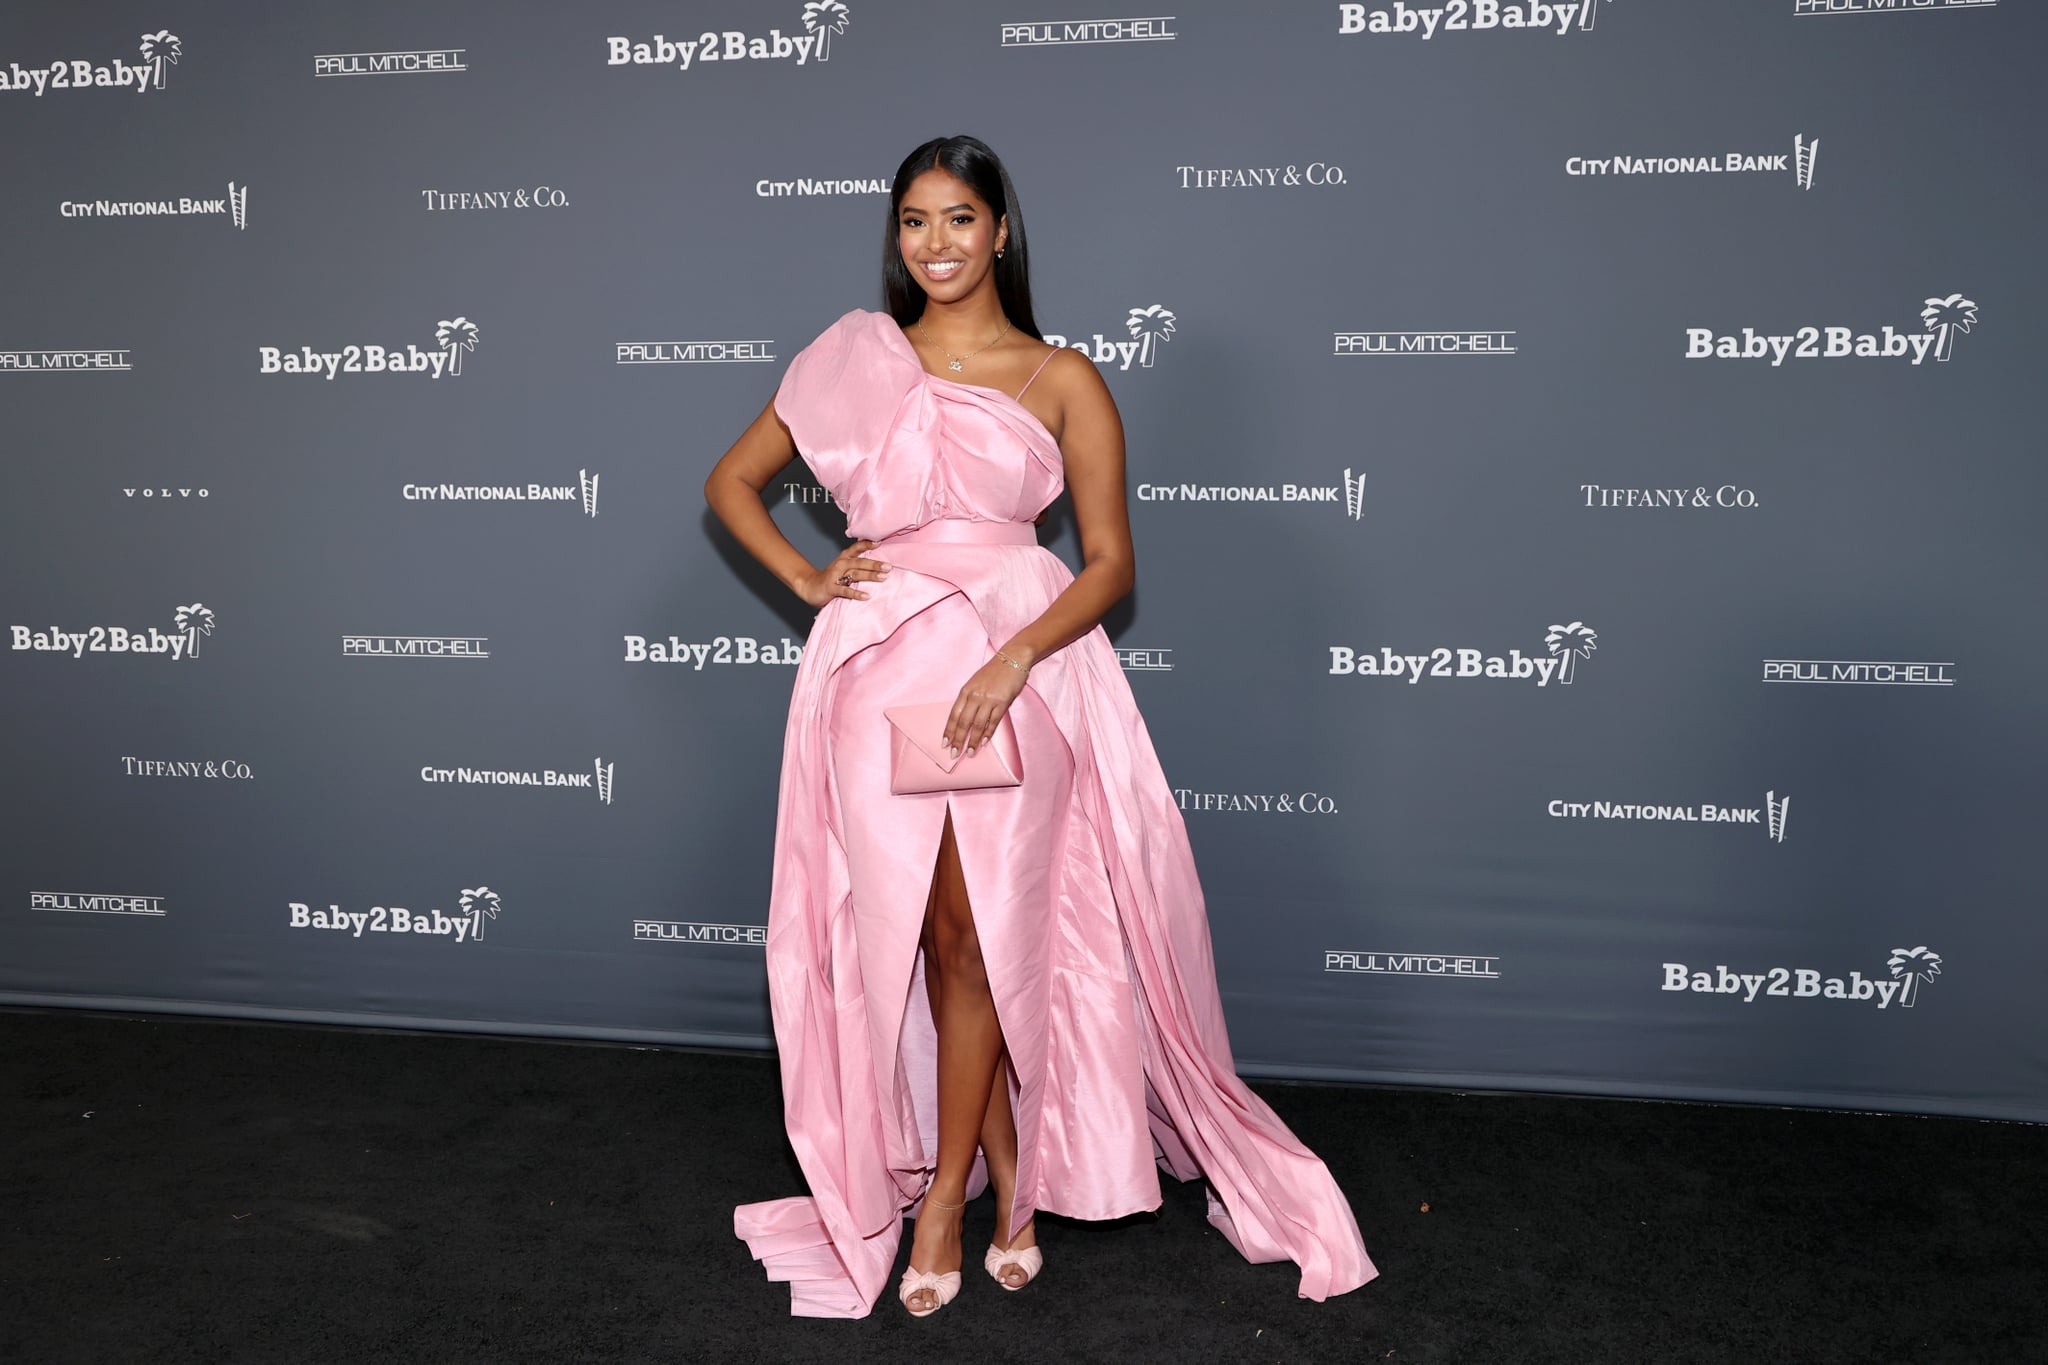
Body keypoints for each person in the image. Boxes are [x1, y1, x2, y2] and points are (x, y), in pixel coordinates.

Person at [705, 134, 1376, 1319]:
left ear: (1000, 231)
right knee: (914, 935)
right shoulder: (852, 360)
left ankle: (943, 1202)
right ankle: (999, 1165)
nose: (936, 244)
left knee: (981, 941)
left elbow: (1108, 564)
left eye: (958, 219)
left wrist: (1017, 656)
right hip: (876, 674)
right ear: (894, 236)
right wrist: (811, 581)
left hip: (1013, 671)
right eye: (914, 221)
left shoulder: (1060, 374)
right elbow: (730, 482)